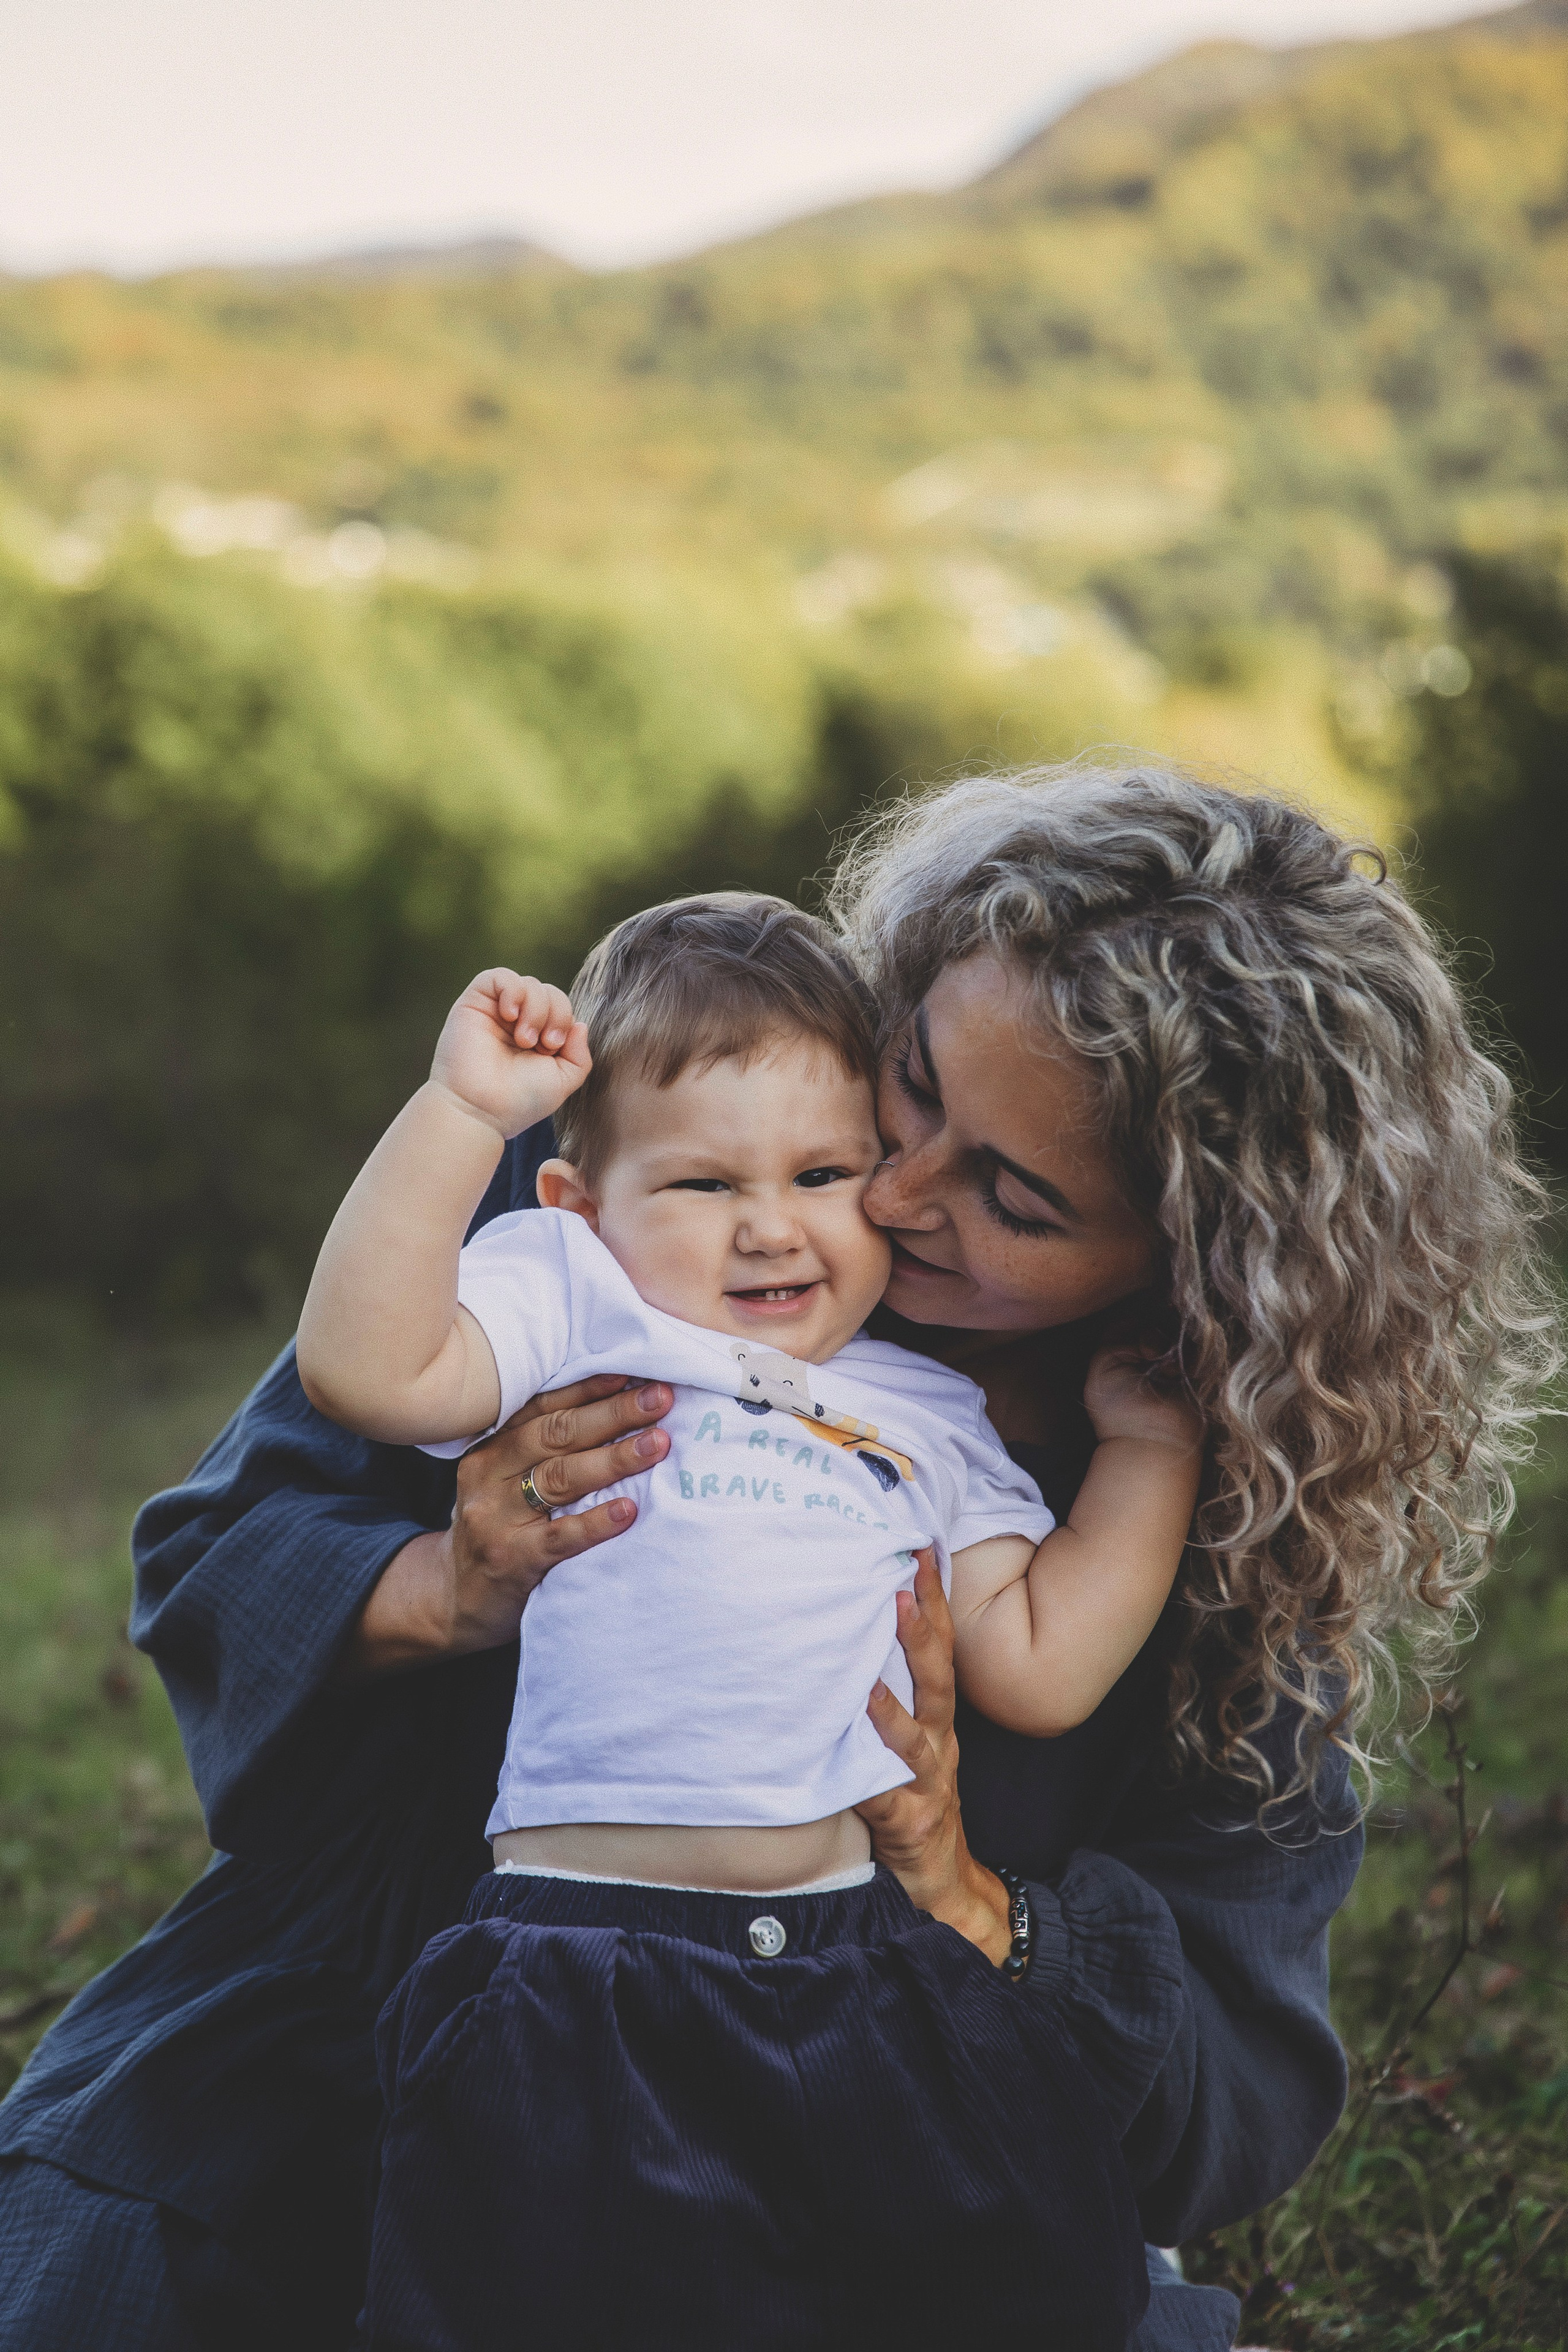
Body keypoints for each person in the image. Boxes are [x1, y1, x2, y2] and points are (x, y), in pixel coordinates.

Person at [0, 765, 1549, 2352]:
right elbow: (216, 1552)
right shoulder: (653, 1188)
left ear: (1199, 1260)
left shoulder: (1205, 1513)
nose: (887, 1190)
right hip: (357, 2051)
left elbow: (1239, 2089)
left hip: (860, 2141)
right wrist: (443, 1589)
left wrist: (975, 1908)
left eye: (1010, 1194)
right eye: (915, 1085)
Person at [291, 895, 1202, 2346]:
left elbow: (1038, 1664)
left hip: (855, 1956)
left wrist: (1150, 1452)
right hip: (570, 1960)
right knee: (526, 2299)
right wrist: (462, 1112)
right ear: (582, 1208)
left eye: (826, 1171)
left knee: (989, 2280)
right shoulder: (581, 1307)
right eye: (704, 1185)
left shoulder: (928, 1416)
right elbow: (364, 1369)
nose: (772, 1226)